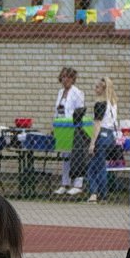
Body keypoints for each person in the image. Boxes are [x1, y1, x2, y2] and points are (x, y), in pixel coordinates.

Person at [86, 76, 120, 203]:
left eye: (97, 87)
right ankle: (102, 194)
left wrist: (92, 143)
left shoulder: (100, 104)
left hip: (102, 135)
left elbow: (97, 124)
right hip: (111, 136)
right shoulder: (113, 103)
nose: (95, 89)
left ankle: (96, 193)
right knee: (101, 165)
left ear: (103, 89)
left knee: (93, 168)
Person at [53, 67, 86, 195]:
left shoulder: (77, 93)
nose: (65, 79)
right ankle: (65, 183)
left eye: (68, 77)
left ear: (73, 79)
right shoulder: (60, 92)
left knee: (76, 156)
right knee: (65, 157)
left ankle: (77, 184)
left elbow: (80, 111)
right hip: (62, 128)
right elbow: (58, 110)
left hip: (74, 128)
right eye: (63, 77)